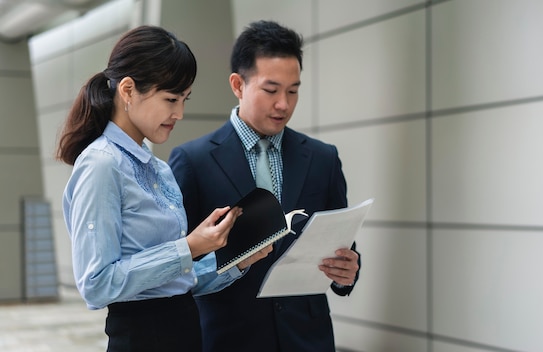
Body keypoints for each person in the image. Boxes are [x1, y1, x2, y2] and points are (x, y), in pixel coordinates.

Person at [57, 25, 270, 352]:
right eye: (171, 99)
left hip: (183, 329)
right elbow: (97, 284)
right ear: (128, 90)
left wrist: (237, 260)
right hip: (141, 338)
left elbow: (177, 282)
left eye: (184, 99)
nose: (180, 113)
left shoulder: (159, 169)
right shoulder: (101, 165)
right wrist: (188, 247)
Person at [168, 20, 361, 352]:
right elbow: (177, 262)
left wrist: (348, 271)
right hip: (226, 338)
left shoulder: (322, 158)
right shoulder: (192, 161)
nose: (283, 104)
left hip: (308, 339)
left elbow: (342, 241)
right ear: (238, 85)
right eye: (271, 90)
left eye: (293, 90)